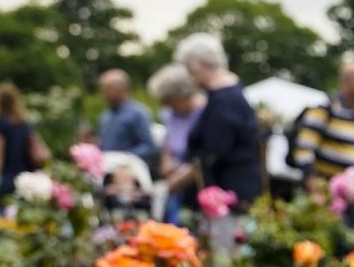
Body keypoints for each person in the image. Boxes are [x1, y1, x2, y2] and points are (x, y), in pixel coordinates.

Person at [175, 35, 262, 255]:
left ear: (200, 65)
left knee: (225, 255)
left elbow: (214, 151)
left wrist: (181, 177)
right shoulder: (226, 96)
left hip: (228, 196)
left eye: (188, 68)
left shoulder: (225, 101)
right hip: (229, 194)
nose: (188, 75)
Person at [291, 60, 354, 184]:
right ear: (346, 82)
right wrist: (312, 181)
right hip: (326, 193)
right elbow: (304, 149)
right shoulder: (325, 110)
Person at [147, 65, 205, 223]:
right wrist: (166, 163)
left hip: (194, 177)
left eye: (169, 100)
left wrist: (179, 178)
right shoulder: (169, 114)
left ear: (183, 95)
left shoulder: (204, 112)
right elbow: (169, 142)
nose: (166, 105)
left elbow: (203, 154)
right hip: (174, 178)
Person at [0, 83, 47, 205]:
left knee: (4, 219)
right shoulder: (25, 123)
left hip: (8, 178)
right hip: (27, 179)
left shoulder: (2, 124)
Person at [97, 69, 158, 171]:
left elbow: (148, 147)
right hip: (106, 168)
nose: (104, 94)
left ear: (123, 89)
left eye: (107, 89)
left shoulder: (138, 113)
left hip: (130, 170)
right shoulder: (105, 116)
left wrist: (124, 158)